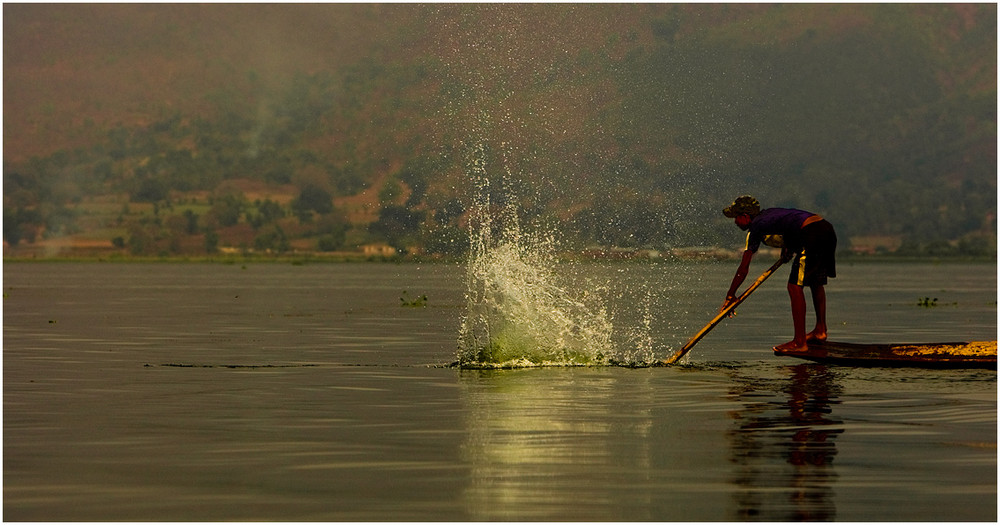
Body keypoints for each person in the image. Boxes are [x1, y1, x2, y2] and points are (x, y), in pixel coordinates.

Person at [721, 195, 837, 352]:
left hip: (811, 233)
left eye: (736, 217)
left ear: (745, 217)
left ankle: (799, 342)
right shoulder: (768, 215)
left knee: (794, 287)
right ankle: (820, 330)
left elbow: (744, 268)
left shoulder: (756, 226)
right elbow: (790, 226)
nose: (735, 222)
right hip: (825, 229)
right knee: (815, 282)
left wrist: (730, 295)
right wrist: (787, 248)